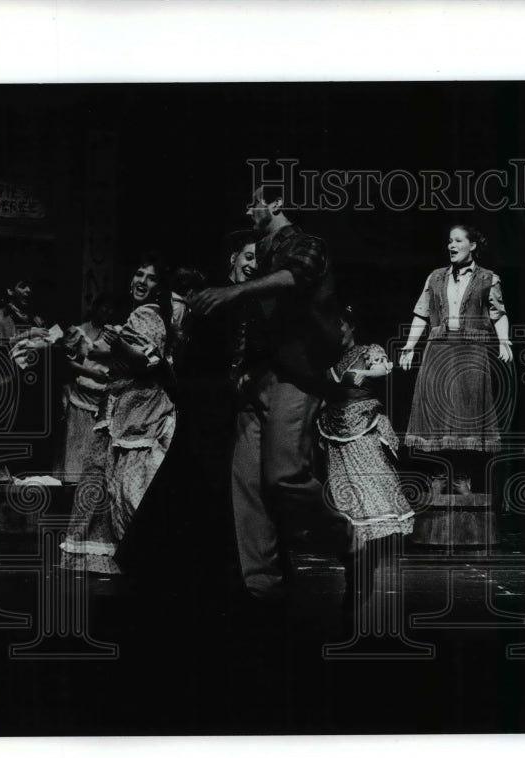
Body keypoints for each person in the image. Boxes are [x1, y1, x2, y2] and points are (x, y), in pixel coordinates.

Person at [191, 188, 345, 601]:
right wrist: (238, 368)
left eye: (253, 201)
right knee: (248, 486)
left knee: (284, 476)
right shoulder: (256, 252)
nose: (247, 209)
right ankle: (261, 587)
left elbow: (295, 277)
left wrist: (235, 290)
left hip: (296, 375)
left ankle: (346, 532)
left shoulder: (308, 245)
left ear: (277, 203)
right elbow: (251, 320)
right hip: (256, 380)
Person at [114, 234, 256, 605]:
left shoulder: (251, 302)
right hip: (205, 402)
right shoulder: (215, 300)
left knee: (201, 482)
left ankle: (183, 568)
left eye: (260, 260)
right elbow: (193, 355)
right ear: (233, 257)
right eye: (249, 256)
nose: (254, 265)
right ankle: (173, 567)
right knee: (196, 478)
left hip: (225, 406)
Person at [60, 254, 177, 573]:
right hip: (118, 404)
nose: (140, 281)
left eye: (150, 277)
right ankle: (116, 554)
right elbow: (115, 355)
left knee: (126, 485)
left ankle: (140, 554)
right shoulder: (138, 314)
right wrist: (82, 347)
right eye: (138, 273)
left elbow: (148, 362)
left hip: (140, 408)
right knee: (104, 479)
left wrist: (116, 348)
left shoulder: (147, 314)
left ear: (159, 286)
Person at [399, 224, 513, 496]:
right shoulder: (436, 277)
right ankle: (438, 474)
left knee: (466, 416)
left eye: (458, 241)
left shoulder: (488, 278)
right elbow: (422, 313)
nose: (451, 246)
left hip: (471, 352)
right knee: (436, 414)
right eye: (449, 241)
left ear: (472, 245)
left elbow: (499, 313)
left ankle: (462, 475)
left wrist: (504, 341)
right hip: (438, 351)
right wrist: (409, 345)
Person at [319, 306, 415, 609]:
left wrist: (363, 371)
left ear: (351, 327)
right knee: (343, 488)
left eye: (340, 325)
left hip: (363, 422)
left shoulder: (367, 350)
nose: (336, 331)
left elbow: (385, 368)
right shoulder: (328, 358)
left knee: (374, 479)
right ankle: (355, 548)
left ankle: (372, 548)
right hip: (334, 425)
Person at [0, 275, 52, 476]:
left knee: (32, 448)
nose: (28, 291)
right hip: (7, 388)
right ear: (10, 291)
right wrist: (27, 335)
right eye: (22, 286)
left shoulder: (37, 318)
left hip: (33, 390)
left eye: (30, 286)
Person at [54, 295, 116, 483]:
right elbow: (67, 364)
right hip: (80, 398)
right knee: (76, 446)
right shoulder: (80, 331)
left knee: (93, 449)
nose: (107, 312)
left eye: (110, 309)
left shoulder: (112, 333)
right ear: (95, 308)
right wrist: (91, 373)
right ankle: (71, 486)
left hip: (101, 399)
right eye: (103, 308)